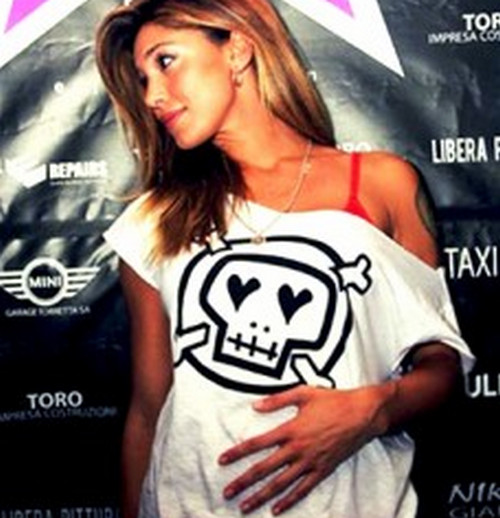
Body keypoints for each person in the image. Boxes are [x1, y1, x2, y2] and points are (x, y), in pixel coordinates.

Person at [95, 0, 474, 517]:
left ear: (237, 50)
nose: (153, 96)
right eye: (142, 80)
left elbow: (442, 368)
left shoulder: (381, 184)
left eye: (165, 61)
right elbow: (146, 410)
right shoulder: (155, 218)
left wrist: (373, 410)